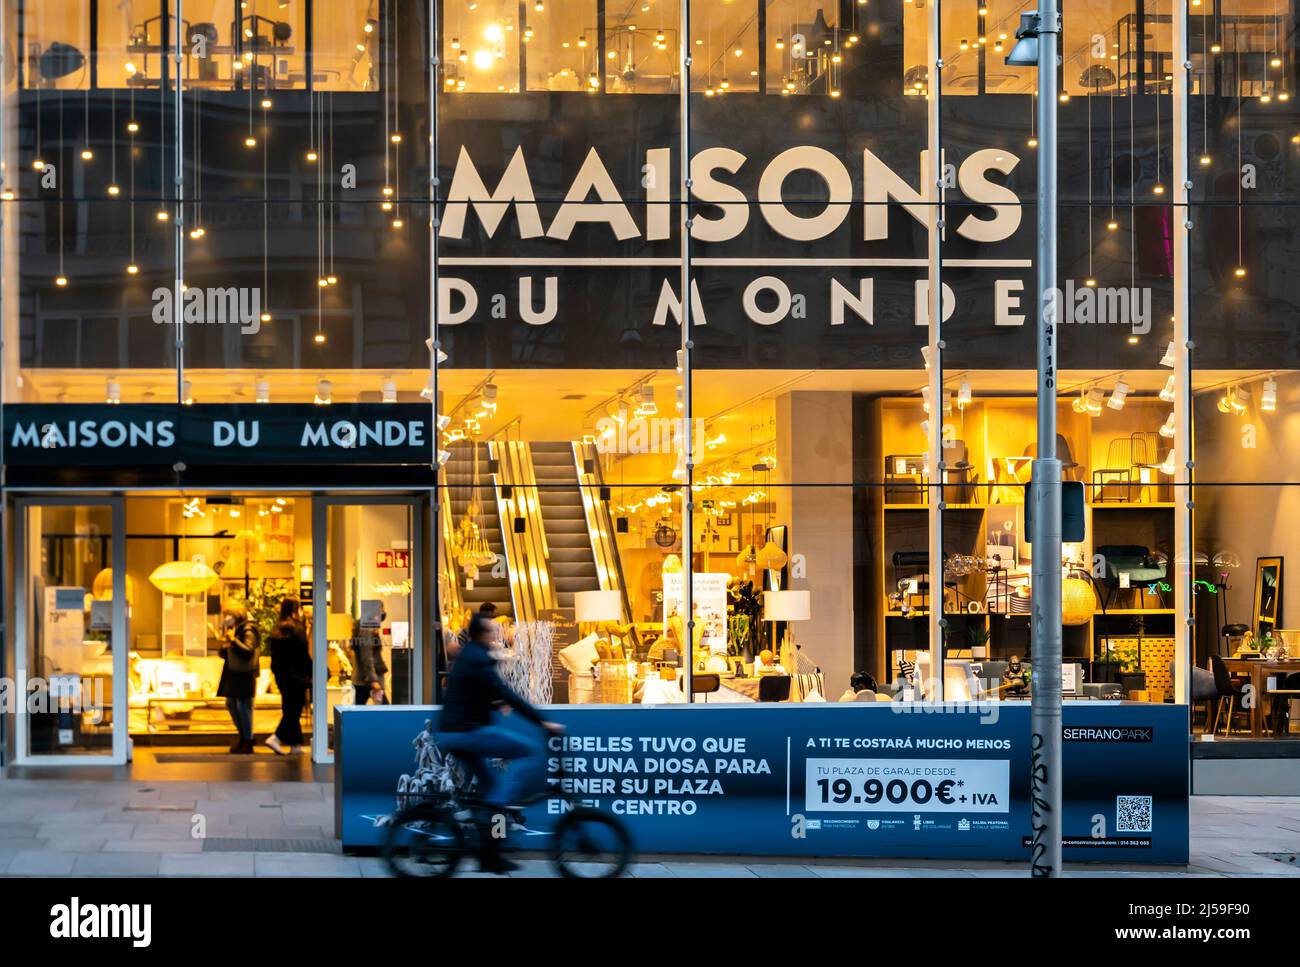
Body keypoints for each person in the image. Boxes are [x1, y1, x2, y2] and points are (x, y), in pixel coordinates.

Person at [436, 613, 564, 874]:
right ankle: (499, 809)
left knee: (493, 788)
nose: (496, 635)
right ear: (482, 634)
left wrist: (493, 702)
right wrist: (543, 722)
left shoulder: (470, 655)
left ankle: (490, 856)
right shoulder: (478, 657)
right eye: (492, 631)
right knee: (528, 751)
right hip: (465, 732)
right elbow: (504, 691)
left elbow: (475, 691)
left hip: (456, 731)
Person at [266, 598, 311, 755]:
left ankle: (296, 744)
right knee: (294, 709)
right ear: (295, 610)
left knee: (289, 707)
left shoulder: (277, 629)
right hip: (296, 675)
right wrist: (312, 671)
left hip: (282, 675)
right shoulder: (297, 629)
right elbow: (302, 654)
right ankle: (276, 738)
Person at [217, 602, 261, 754]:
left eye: (228, 615)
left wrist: (233, 641)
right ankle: (243, 737)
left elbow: (248, 651)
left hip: (244, 675)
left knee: (243, 706)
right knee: (231, 704)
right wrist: (226, 642)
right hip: (234, 674)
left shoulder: (249, 630)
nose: (226, 618)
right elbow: (224, 654)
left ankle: (247, 740)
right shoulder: (236, 630)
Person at [351, 611, 389, 706]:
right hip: (367, 681)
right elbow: (367, 657)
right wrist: (373, 680)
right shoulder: (367, 629)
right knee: (386, 711)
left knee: (357, 710)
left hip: (364, 681)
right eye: (381, 609)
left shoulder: (367, 628)